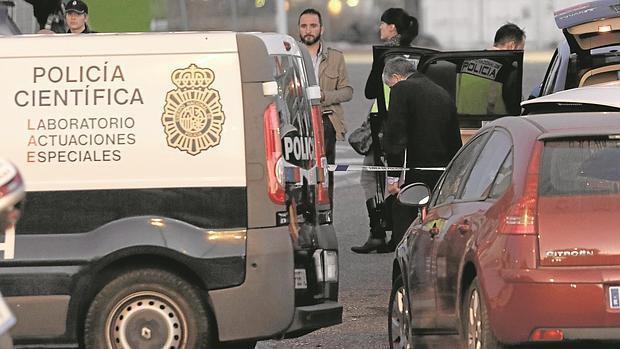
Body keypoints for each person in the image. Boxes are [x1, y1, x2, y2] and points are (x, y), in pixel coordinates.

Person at [351, 8, 418, 254]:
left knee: (370, 178)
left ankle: (378, 231)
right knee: (403, 179)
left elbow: (371, 90)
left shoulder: (385, 55)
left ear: (392, 28)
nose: (380, 29)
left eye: (383, 24)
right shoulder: (417, 54)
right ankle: (399, 231)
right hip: (410, 124)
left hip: (384, 126)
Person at [383, 56, 462, 251]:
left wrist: (392, 177)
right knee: (437, 215)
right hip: (443, 169)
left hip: (418, 167)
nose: (392, 89)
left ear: (397, 77)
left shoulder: (402, 89)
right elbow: (454, 137)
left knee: (404, 211)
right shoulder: (441, 92)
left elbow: (396, 134)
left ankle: (405, 258)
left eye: (390, 85)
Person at [298, 8, 353, 211]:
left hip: (326, 120)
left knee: (324, 174)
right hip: (298, 124)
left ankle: (326, 216)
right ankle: (302, 219)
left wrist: (324, 96)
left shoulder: (335, 58)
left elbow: (347, 92)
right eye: (304, 26)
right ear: (299, 29)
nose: (308, 30)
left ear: (321, 29)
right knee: (298, 173)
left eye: (313, 25)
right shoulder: (291, 55)